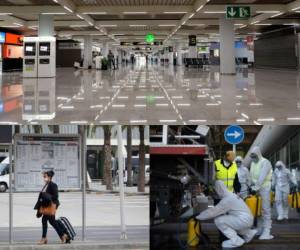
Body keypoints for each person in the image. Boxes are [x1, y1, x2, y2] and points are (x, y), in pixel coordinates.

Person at [196, 181, 256, 248]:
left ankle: (236, 241)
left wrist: (198, 216)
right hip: (248, 219)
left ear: (219, 189)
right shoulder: (232, 195)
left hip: (244, 220)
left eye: (216, 190)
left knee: (219, 220)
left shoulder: (227, 199)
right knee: (230, 221)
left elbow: (213, 212)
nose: (216, 192)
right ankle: (248, 234)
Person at [35, 170, 69, 244]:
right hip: (47, 206)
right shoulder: (46, 185)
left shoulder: (53, 185)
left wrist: (47, 197)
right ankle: (63, 235)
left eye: (45, 177)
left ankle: (44, 238)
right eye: (43, 177)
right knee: (52, 222)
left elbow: (55, 196)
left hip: (51, 206)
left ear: (49, 177)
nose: (44, 178)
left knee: (45, 220)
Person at [249, 146, 273, 240]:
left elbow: (262, 177)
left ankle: (267, 231)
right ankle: (260, 228)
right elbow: (251, 176)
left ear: (258, 154)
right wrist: (251, 186)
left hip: (264, 188)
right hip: (256, 189)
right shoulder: (253, 163)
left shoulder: (265, 162)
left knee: (265, 210)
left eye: (254, 155)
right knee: (257, 209)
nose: (253, 158)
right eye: (252, 156)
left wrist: (256, 187)